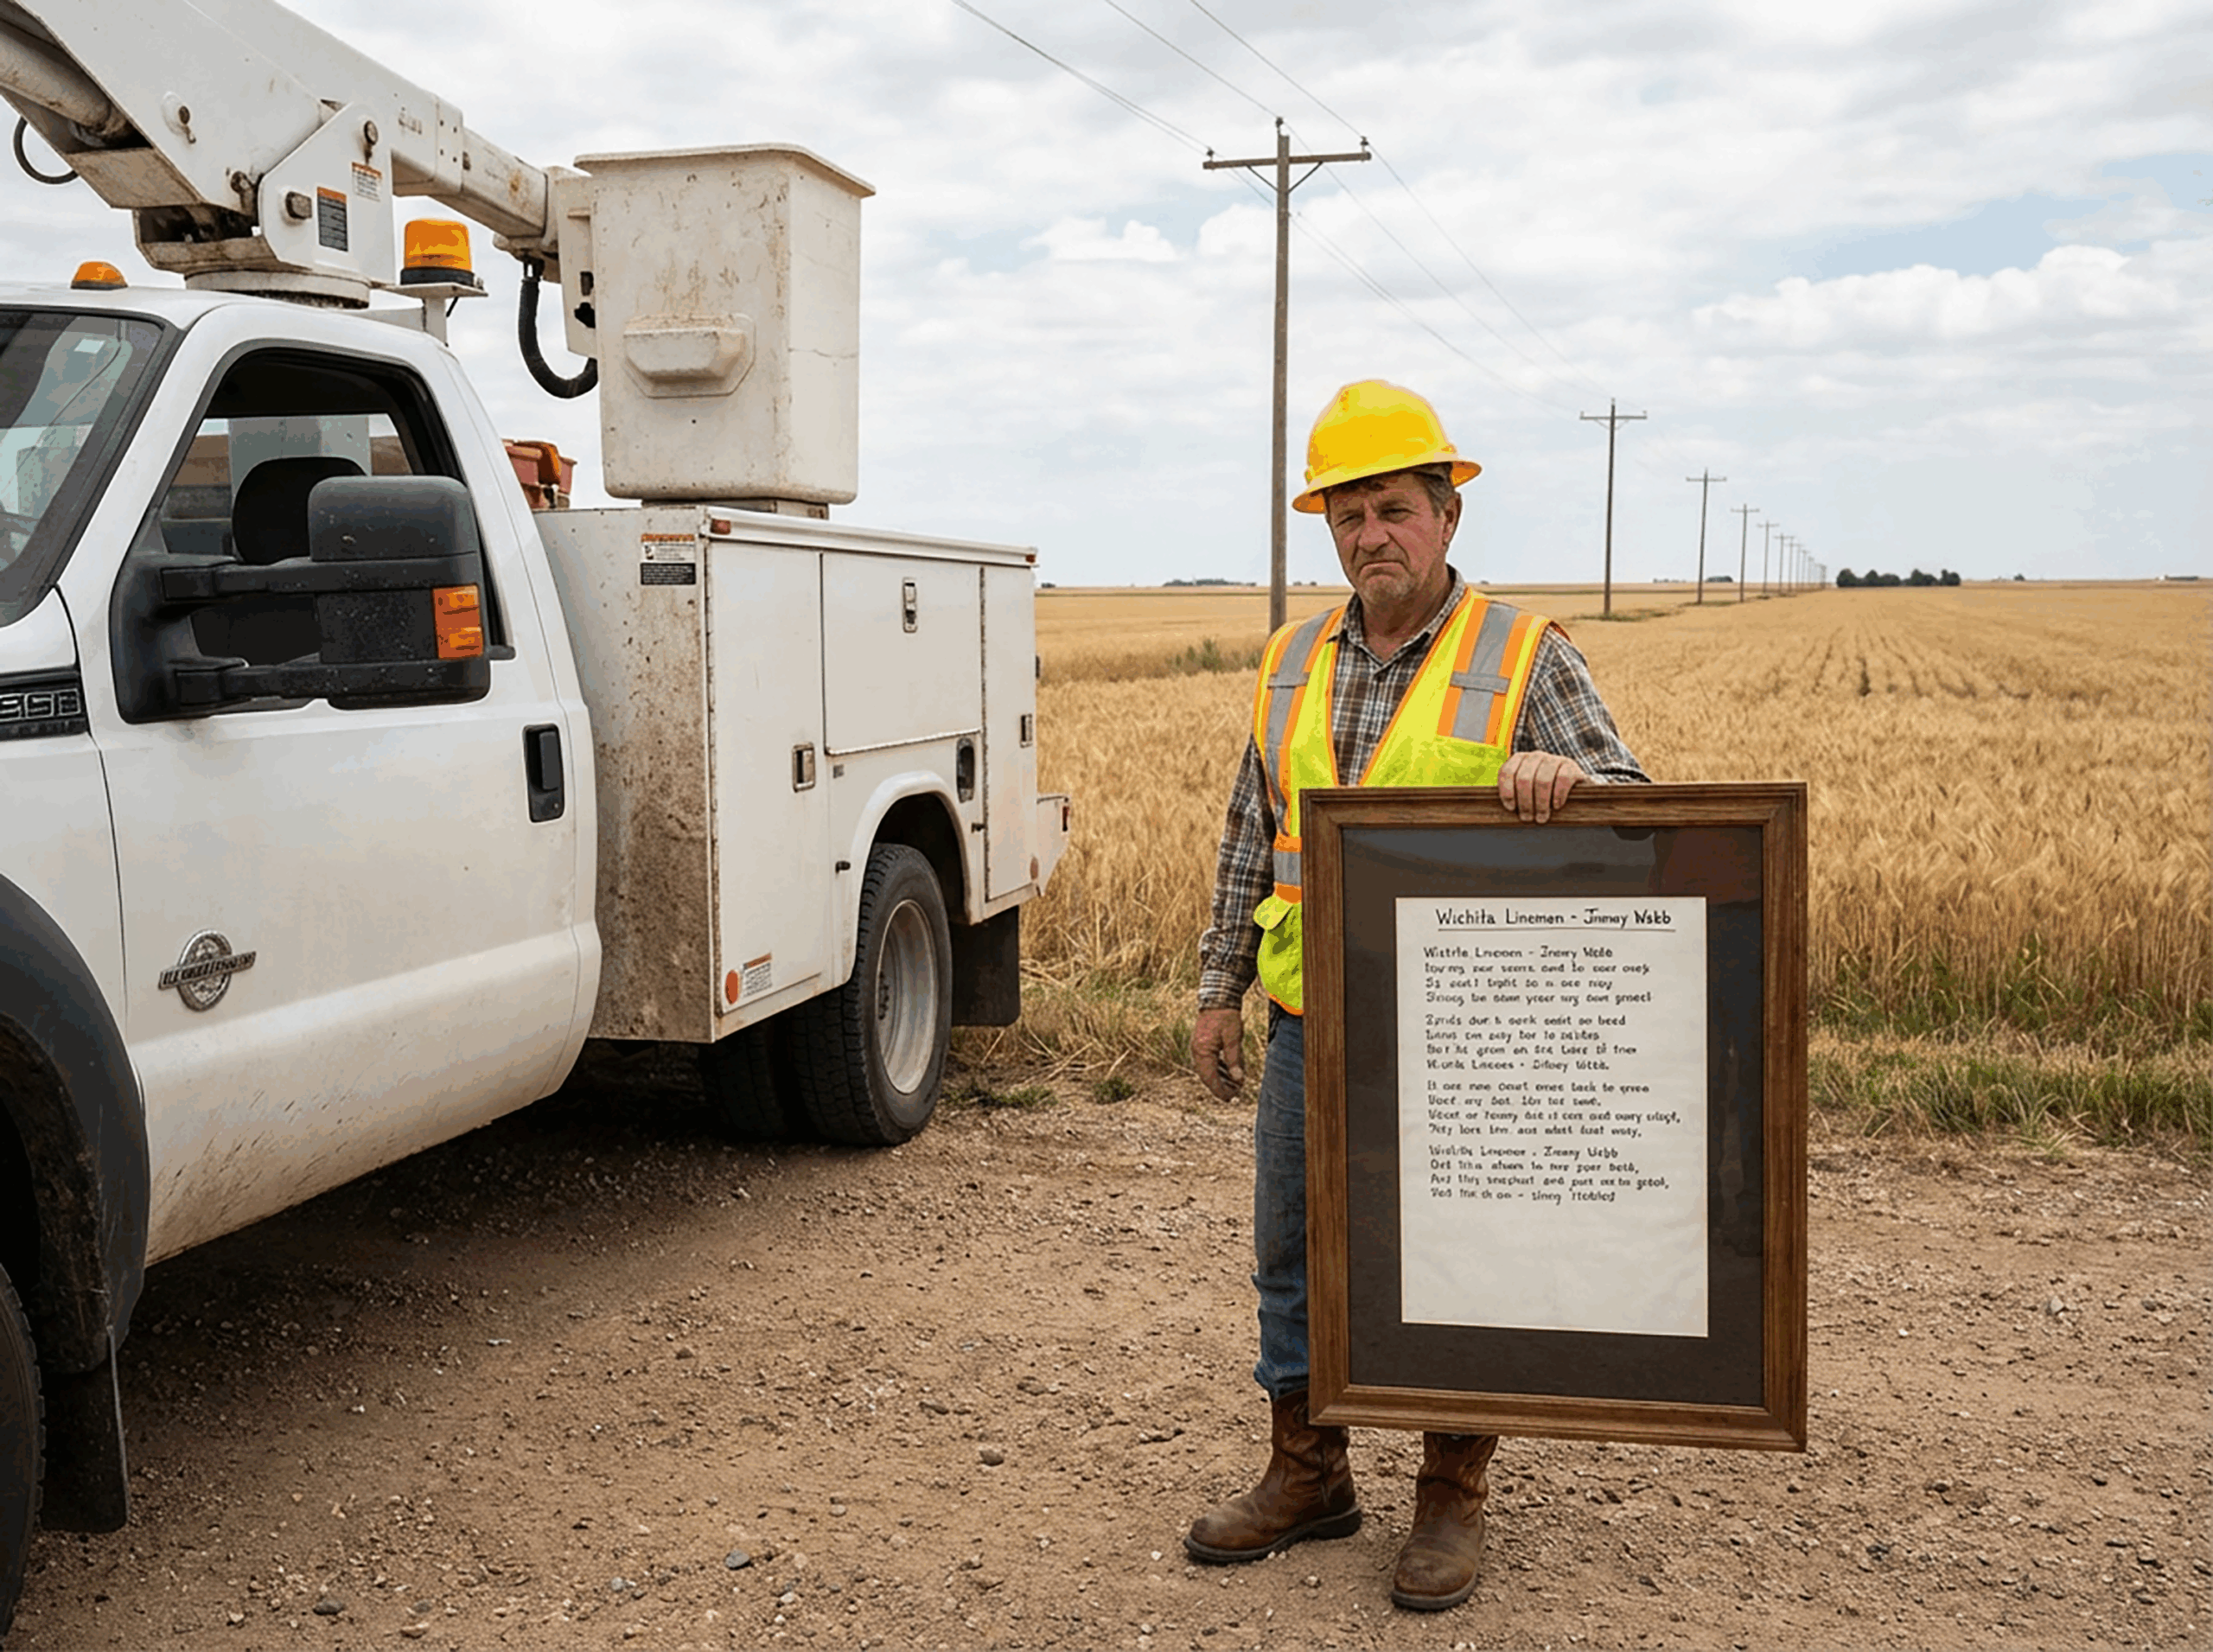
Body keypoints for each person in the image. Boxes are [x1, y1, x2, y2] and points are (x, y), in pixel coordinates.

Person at [1185, 380, 1650, 1611]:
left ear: (1446, 515)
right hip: (1308, 1021)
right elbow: (1252, 830)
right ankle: (1308, 1469)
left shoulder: (1520, 653)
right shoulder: (1293, 660)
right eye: (1346, 517)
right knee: (1291, 1255)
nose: (1367, 536)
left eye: (1392, 508)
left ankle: (1451, 1493)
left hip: (1463, 1039)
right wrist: (1216, 984)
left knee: (1460, 1259)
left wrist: (1567, 776)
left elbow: (1638, 808)